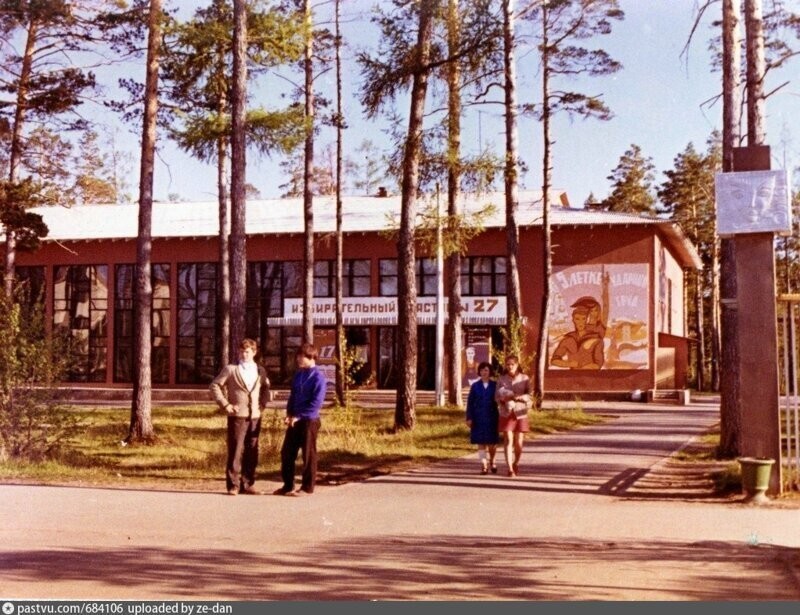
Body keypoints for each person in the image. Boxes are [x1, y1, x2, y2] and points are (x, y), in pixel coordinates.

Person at [210, 338, 272, 496]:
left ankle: (248, 483)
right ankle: (233, 485)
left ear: (254, 352)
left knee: (252, 450)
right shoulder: (231, 369)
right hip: (237, 415)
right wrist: (226, 404)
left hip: (255, 416)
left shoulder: (260, 370)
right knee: (236, 450)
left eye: (247, 352)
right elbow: (215, 385)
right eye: (241, 351)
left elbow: (266, 388)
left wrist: (263, 404)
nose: (244, 354)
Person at [273, 343, 327, 497]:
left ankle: (307, 487)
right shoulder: (298, 375)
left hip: (309, 420)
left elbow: (316, 403)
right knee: (287, 452)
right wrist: (289, 414)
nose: (298, 359)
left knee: (308, 454)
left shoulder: (318, 378)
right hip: (294, 420)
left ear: (311, 357)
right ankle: (288, 485)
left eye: (301, 357)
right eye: (298, 356)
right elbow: (293, 396)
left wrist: (300, 416)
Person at [495, 355, 532, 477]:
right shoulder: (501, 379)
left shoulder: (524, 378)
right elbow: (496, 396)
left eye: (512, 364)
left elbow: (530, 394)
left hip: (520, 412)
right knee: (508, 439)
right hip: (507, 412)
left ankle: (516, 462)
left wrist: (522, 397)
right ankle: (509, 468)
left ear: (517, 365)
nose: (510, 366)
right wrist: (504, 399)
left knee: (519, 441)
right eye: (508, 364)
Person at [465, 361, 500, 475]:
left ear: (490, 372)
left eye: (486, 370)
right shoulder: (475, 386)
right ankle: (484, 465)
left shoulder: (495, 385)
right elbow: (470, 403)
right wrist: (469, 417)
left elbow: (500, 400)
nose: (484, 372)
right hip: (478, 417)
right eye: (481, 370)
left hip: (492, 416)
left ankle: (493, 460)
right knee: (480, 442)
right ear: (479, 372)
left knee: (492, 443)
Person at [550, 304, 605, 370]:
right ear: (573, 320)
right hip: (573, 376)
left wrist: (583, 368)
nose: (580, 322)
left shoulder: (596, 339)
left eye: (583, 319)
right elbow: (554, 360)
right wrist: (569, 364)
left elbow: (598, 364)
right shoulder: (568, 340)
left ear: (587, 320)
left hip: (590, 377)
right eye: (577, 319)